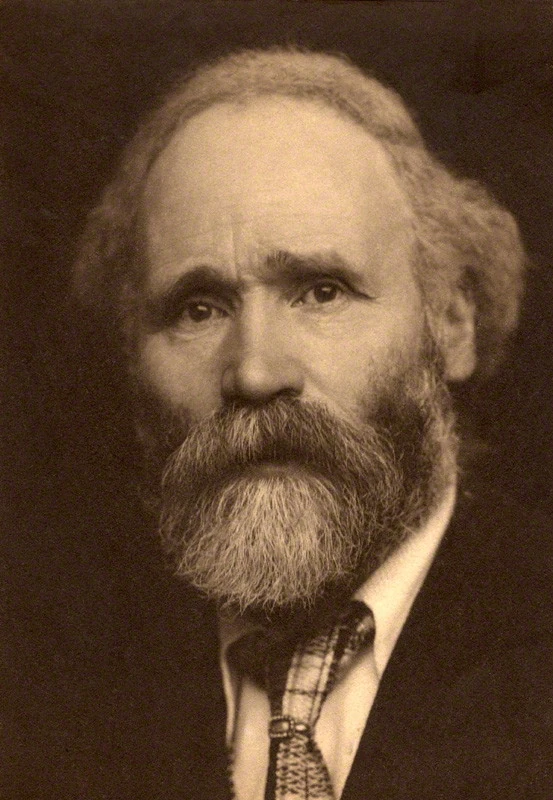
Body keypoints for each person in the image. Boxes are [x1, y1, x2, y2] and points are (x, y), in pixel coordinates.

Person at [72, 47, 552, 800]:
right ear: (133, 355)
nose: (255, 372)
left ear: (452, 322)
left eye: (321, 291)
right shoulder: (51, 677)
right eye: (198, 309)